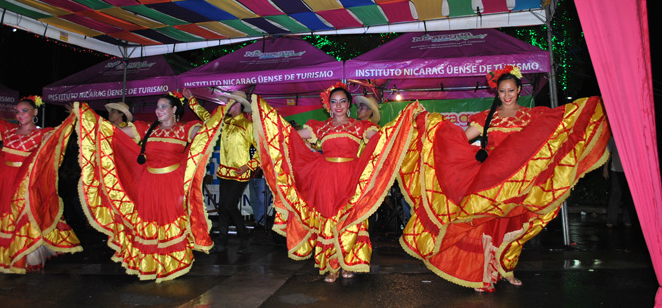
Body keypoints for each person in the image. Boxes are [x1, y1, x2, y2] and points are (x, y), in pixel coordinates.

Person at [398, 66, 610, 292]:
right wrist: (434, 129)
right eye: (502, 91)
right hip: (490, 182)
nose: (507, 96)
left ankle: (506, 270)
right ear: (497, 93)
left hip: (518, 183)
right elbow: (460, 138)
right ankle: (482, 275)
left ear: (519, 90)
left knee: (511, 227)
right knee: (484, 227)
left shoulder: (532, 116)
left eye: (511, 90)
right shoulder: (486, 119)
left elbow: (553, 133)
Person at [251, 82, 421, 283]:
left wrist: (405, 125)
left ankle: (348, 263)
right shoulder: (320, 127)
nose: (338, 106)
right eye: (334, 102)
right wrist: (268, 126)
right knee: (329, 219)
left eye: (342, 101)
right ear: (328, 106)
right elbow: (289, 136)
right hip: (326, 179)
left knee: (349, 219)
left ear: (349, 104)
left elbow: (383, 138)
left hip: (351, 178)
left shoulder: (361, 126)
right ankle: (332, 265)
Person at [75, 92, 229, 282]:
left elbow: (208, 130)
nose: (159, 110)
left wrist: (203, 106)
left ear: (174, 110)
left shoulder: (185, 129)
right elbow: (113, 133)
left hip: (172, 184)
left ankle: (172, 264)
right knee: (150, 220)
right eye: (157, 107)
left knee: (169, 219)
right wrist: (89, 119)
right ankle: (151, 264)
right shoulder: (147, 129)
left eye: (164, 106)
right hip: (148, 183)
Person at [0, 91, 82, 273]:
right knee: (1, 217)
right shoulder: (7, 129)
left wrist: (74, 116)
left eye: (25, 111)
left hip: (24, 183)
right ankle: (2, 256)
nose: (20, 115)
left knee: (21, 217)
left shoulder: (42, 134)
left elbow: (60, 137)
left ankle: (24, 256)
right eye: (17, 111)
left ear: (35, 113)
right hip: (2, 181)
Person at [184, 89, 258, 255]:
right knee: (224, 208)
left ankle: (242, 237)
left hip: (240, 174)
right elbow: (206, 117)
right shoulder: (223, 123)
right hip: (224, 172)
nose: (227, 105)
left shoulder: (248, 125)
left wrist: (248, 166)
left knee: (228, 206)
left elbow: (261, 149)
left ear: (238, 105)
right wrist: (192, 101)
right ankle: (224, 241)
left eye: (230, 102)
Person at [604, 136, 633, 227]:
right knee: (615, 194)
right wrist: (605, 168)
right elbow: (608, 153)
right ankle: (611, 220)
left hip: (630, 171)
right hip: (616, 170)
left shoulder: (631, 137)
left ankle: (628, 220)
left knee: (629, 195)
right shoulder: (614, 138)